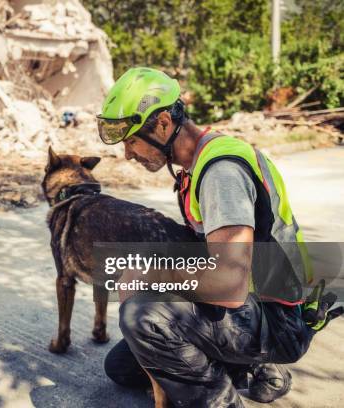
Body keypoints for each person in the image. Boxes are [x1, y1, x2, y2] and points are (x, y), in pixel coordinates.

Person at [96, 67, 340, 407]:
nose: (128, 154)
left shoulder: (221, 172)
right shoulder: (198, 164)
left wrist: (149, 274)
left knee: (143, 319)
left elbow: (227, 283)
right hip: (256, 307)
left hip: (277, 319)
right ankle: (251, 368)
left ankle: (223, 398)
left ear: (164, 123)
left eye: (132, 141)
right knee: (122, 366)